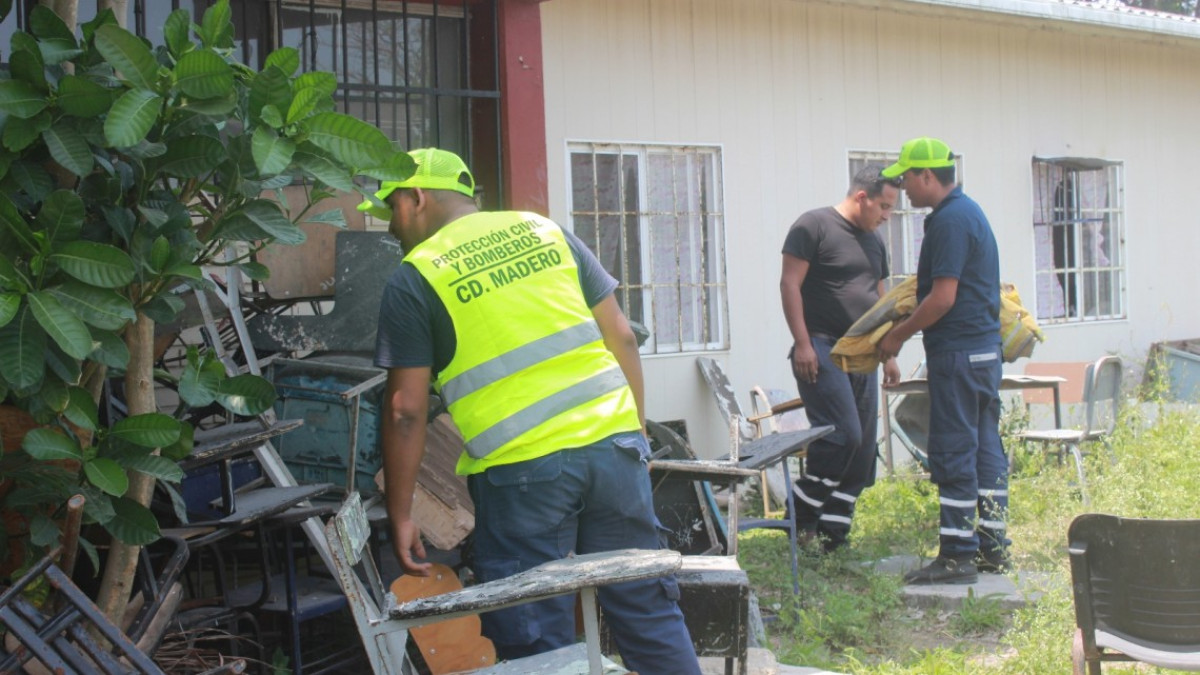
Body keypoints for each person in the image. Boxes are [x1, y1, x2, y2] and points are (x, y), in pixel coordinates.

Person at [364, 148, 701, 672]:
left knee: (534, 634)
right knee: (645, 607)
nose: (391, 225)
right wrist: (634, 435)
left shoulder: (417, 275)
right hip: (614, 449)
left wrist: (403, 512)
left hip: (523, 474)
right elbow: (621, 338)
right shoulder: (543, 230)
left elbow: (406, 409)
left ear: (416, 198)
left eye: (392, 207)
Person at [875, 137, 1009, 585]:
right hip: (985, 352)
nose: (904, 189)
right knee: (986, 448)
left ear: (927, 176)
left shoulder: (949, 221)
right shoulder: (971, 211)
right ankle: (993, 548)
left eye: (907, 178)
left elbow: (943, 297)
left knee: (954, 449)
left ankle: (956, 556)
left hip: (958, 354)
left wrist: (896, 334)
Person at [780, 166, 902, 552]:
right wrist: (802, 343)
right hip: (820, 347)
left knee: (864, 450)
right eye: (883, 206)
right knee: (843, 436)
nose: (887, 216)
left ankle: (834, 538)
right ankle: (797, 518)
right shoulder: (813, 226)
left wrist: (889, 355)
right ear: (862, 197)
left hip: (863, 352)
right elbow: (789, 284)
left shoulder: (874, 241)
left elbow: (881, 300)